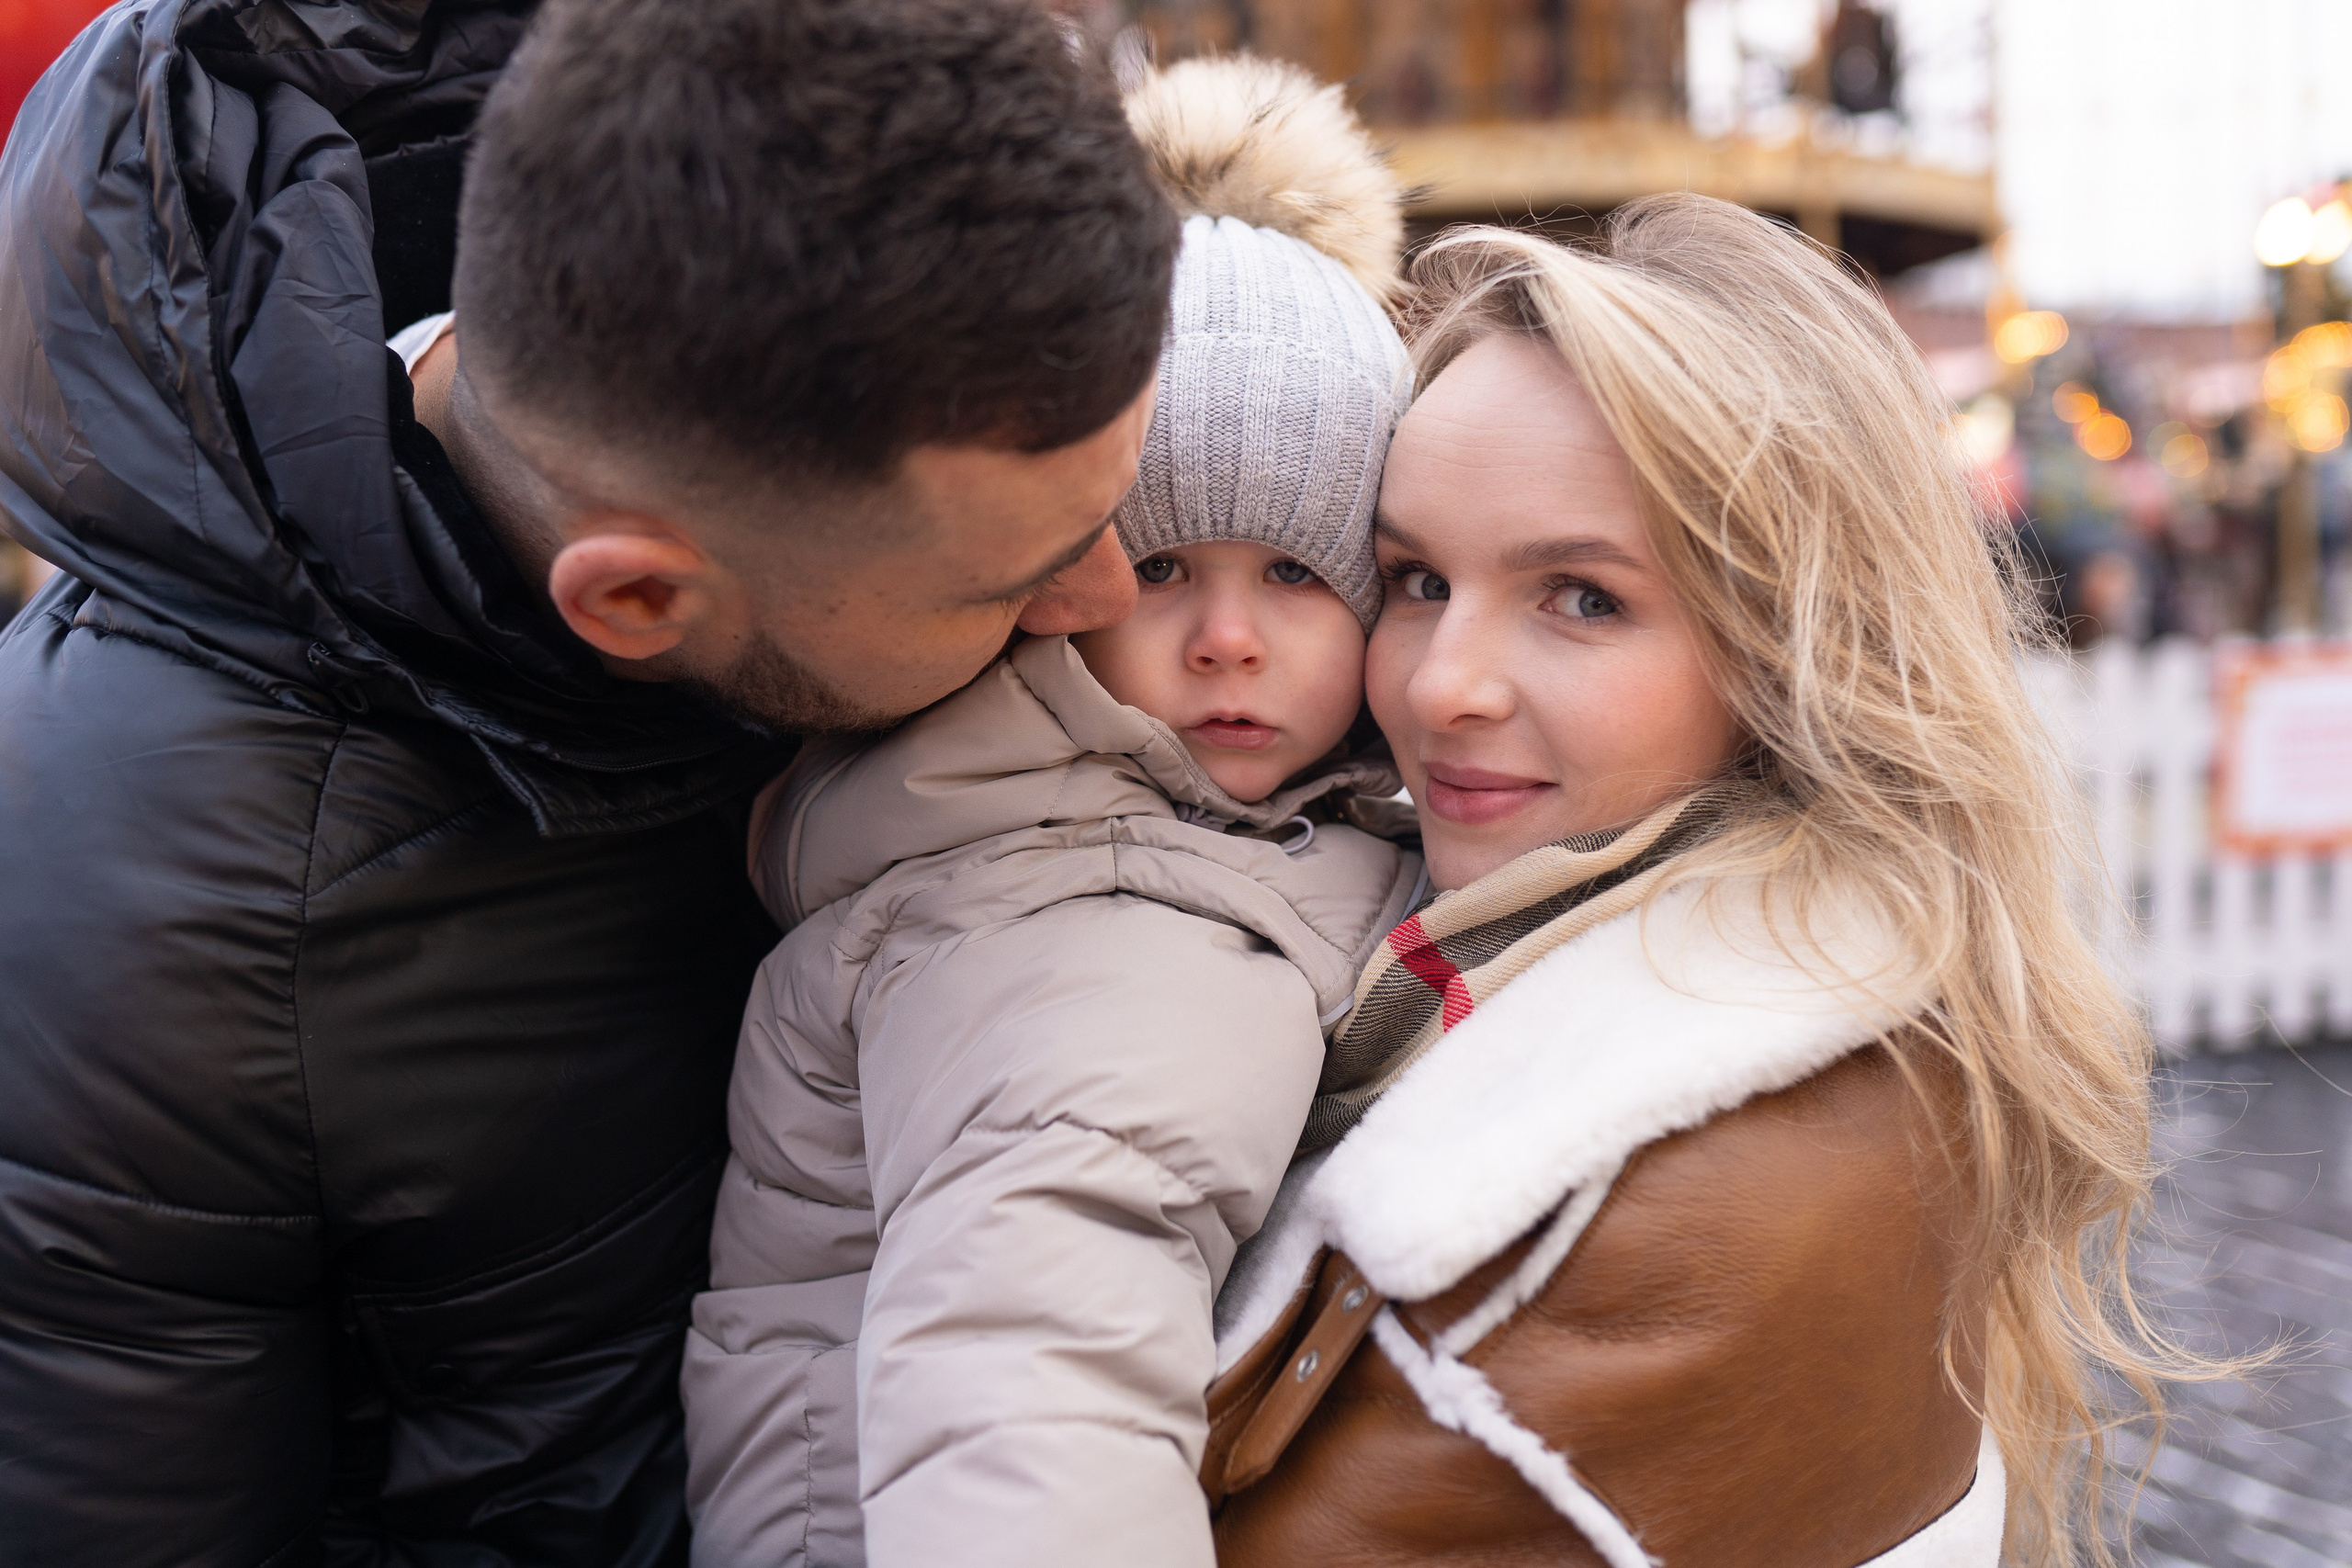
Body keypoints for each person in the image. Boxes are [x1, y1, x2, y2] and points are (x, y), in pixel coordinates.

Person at [0, 1, 1173, 1562]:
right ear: (634, 604)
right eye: (1011, 579)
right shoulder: (137, 955)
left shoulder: (787, 299)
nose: (1114, 598)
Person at [1202, 197, 2208, 1566]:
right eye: (1416, 578)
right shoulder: (1481, 951)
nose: (1441, 684)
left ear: (1788, 643)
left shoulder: (1646, 1201)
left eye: (1583, 597)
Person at [682, 58, 1420, 1568]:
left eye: (1296, 573)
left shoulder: (1136, 831)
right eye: (1159, 571)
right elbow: (1036, 1389)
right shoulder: (1094, 910)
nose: (1228, 638)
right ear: (1056, 583)